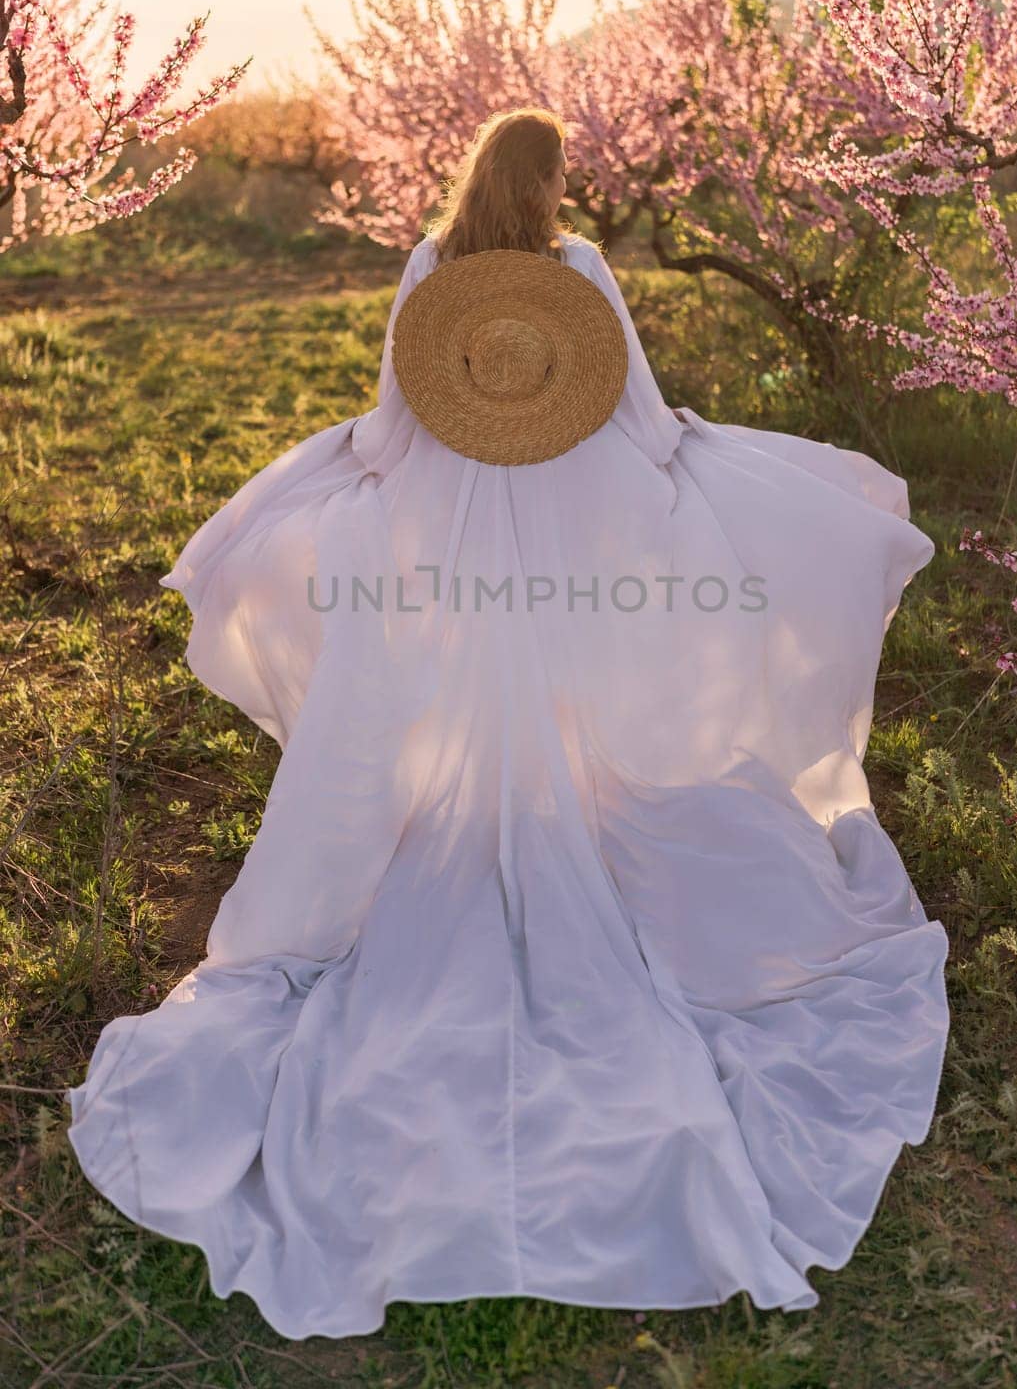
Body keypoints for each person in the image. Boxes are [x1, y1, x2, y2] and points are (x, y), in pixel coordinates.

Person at [65, 106, 950, 1341]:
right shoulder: (577, 270)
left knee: (446, 704)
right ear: (547, 187)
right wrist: (681, 448)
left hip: (441, 543)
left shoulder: (428, 269)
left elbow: (387, 427)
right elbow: (633, 418)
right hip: (578, 531)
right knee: (579, 692)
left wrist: (358, 474)